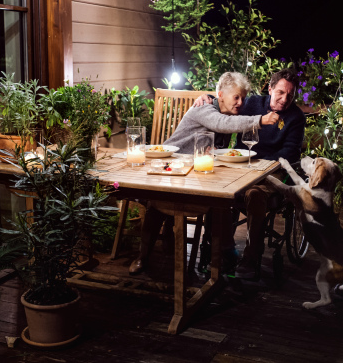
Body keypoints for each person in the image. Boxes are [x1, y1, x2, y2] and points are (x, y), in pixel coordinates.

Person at [129, 72, 280, 275]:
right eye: (236, 97)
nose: (240, 102)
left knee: (219, 201)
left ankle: (218, 258)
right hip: (171, 165)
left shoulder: (224, 110)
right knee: (158, 204)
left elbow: (219, 133)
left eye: (242, 98)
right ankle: (143, 257)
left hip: (197, 169)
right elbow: (221, 124)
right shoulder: (205, 109)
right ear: (220, 95)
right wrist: (261, 120)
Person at [196, 68, 305, 280]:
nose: (285, 99)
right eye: (281, 92)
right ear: (271, 88)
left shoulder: (296, 117)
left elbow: (290, 152)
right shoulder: (253, 103)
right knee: (216, 189)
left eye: (290, 95)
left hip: (274, 171)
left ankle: (251, 257)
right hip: (241, 165)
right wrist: (208, 97)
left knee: (255, 194)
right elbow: (227, 102)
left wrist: (262, 166)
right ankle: (218, 251)